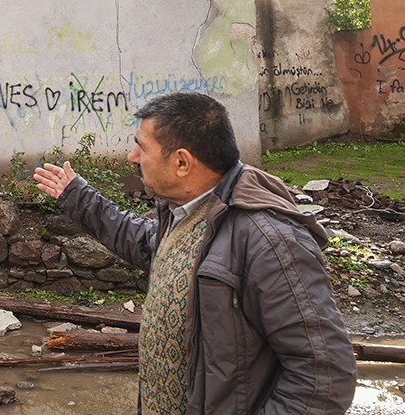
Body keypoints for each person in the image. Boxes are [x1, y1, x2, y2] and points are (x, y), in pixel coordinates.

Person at [32, 92, 356, 414]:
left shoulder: (270, 242)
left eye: (141, 147)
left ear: (182, 163)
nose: (132, 156)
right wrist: (78, 197)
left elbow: (324, 377)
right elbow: (143, 242)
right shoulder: (187, 213)